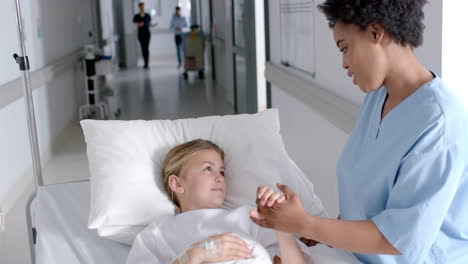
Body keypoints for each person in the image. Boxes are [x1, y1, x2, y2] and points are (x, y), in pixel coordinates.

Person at [250, 1, 468, 263]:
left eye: (345, 48)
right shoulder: (378, 97)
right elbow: (368, 197)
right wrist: (324, 232)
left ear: (376, 33)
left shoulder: (439, 122)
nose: (343, 64)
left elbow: (398, 238)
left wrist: (305, 224)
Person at [126, 139, 309, 264]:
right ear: (177, 183)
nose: (220, 178)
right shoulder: (158, 233)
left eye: (222, 172)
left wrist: (280, 225)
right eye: (208, 169)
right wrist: (197, 254)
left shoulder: (251, 216)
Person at [133, 2, 156, 69]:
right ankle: (145, 63)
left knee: (146, 48)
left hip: (147, 33)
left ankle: (147, 63)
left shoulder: (147, 15)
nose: (142, 7)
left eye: (143, 6)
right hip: (141, 34)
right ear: (139, 7)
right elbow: (134, 24)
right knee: (143, 48)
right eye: (141, 6)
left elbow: (149, 23)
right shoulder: (136, 16)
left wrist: (153, 25)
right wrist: (139, 24)